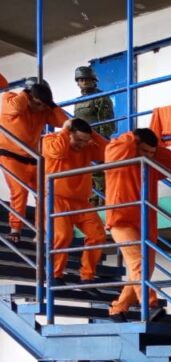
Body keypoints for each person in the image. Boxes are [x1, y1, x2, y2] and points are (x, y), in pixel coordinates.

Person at [104, 127, 171, 322]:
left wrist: (154, 149)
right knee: (139, 264)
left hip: (146, 222)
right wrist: (132, 138)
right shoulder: (118, 158)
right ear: (134, 145)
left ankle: (118, 308)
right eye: (144, 151)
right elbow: (114, 149)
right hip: (121, 220)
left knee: (141, 269)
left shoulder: (151, 167)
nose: (148, 156)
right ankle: (150, 305)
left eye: (151, 153)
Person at [41, 118, 108, 284]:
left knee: (98, 235)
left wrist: (92, 134)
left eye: (85, 141)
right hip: (55, 198)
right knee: (62, 235)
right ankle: (54, 275)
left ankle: (87, 276)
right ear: (69, 133)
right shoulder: (50, 140)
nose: (82, 144)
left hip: (81, 202)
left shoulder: (87, 147)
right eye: (78, 140)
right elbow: (57, 152)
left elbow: (107, 151)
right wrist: (65, 129)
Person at [0, 80, 67, 242]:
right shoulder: (10, 98)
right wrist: (26, 92)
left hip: (33, 157)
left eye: (43, 105)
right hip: (10, 155)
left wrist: (50, 104)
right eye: (37, 103)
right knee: (19, 192)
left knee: (44, 194)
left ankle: (41, 231)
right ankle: (15, 230)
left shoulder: (44, 110)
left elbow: (63, 122)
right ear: (28, 95)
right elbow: (16, 107)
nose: (40, 108)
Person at [72, 65, 115, 205]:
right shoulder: (77, 101)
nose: (84, 82)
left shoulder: (101, 98)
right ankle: (92, 202)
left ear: (93, 80)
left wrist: (100, 141)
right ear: (77, 82)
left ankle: (104, 201)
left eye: (87, 79)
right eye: (81, 80)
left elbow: (108, 122)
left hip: (97, 140)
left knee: (99, 172)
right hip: (82, 143)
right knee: (86, 173)